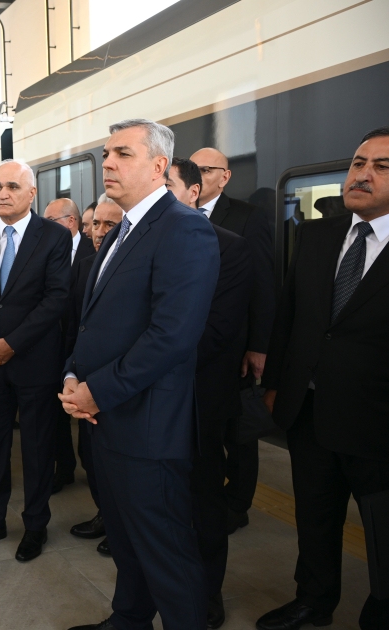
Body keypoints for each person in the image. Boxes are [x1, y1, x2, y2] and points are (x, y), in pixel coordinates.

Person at [61, 119, 219, 630]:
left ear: (158, 165)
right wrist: (72, 375)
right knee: (127, 541)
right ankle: (128, 619)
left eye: (122, 154)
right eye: (106, 153)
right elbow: (93, 323)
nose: (107, 163)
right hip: (107, 420)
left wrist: (97, 391)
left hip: (148, 427)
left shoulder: (183, 227)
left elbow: (172, 335)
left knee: (166, 553)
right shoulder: (119, 231)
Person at [256, 127, 389, 630]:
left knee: (382, 527)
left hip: (378, 422)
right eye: (358, 163)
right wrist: (275, 386)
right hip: (310, 413)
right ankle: (314, 600)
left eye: (382, 166)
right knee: (314, 516)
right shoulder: (318, 234)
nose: (362, 174)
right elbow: (290, 316)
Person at [0, 159, 71, 563]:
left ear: (31, 193)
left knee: (37, 449)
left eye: (12, 186)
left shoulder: (54, 236)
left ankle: (35, 526)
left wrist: (12, 343)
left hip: (34, 363)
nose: (2, 194)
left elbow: (56, 298)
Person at [168, 157, 253, 628]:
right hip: (143, 399)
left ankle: (206, 593)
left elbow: (217, 331)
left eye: (166, 185)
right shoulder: (129, 241)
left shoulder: (229, 247)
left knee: (202, 502)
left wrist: (145, 367)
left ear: (193, 192)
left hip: (199, 400)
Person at [190, 146, 276, 532]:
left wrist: (258, 345)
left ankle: (237, 503)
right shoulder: (179, 216)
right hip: (195, 347)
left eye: (206, 170)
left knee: (238, 432)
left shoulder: (247, 217)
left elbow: (262, 284)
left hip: (234, 346)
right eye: (192, 169)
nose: (198, 176)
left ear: (224, 177)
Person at [66, 192, 123, 555]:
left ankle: (121, 528)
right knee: (91, 457)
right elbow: (74, 324)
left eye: (109, 224)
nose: (99, 232)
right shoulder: (86, 265)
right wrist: (70, 374)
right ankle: (105, 515)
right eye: (95, 224)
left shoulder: (136, 263)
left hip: (119, 383)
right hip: (84, 383)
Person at [43, 197, 95, 495]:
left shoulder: (93, 251)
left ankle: (91, 467)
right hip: (51, 346)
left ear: (71, 221)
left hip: (81, 346)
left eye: (50, 221)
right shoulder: (46, 250)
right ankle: (63, 468)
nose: (45, 227)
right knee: (56, 413)